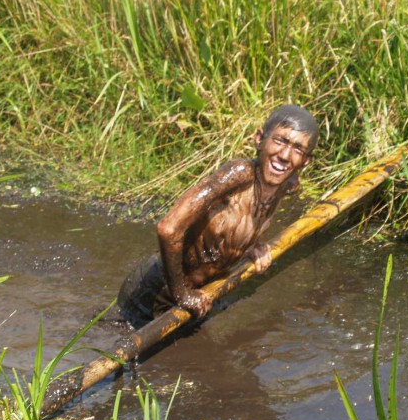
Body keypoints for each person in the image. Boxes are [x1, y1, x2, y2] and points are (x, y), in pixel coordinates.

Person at [118, 104, 319, 324]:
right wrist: (182, 294)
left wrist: (251, 247)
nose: (285, 155)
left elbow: (233, 225)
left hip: (199, 293)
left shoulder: (287, 185)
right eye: (280, 141)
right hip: (154, 291)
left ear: (306, 161)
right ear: (259, 139)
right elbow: (168, 229)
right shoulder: (238, 175)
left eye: (298, 149)